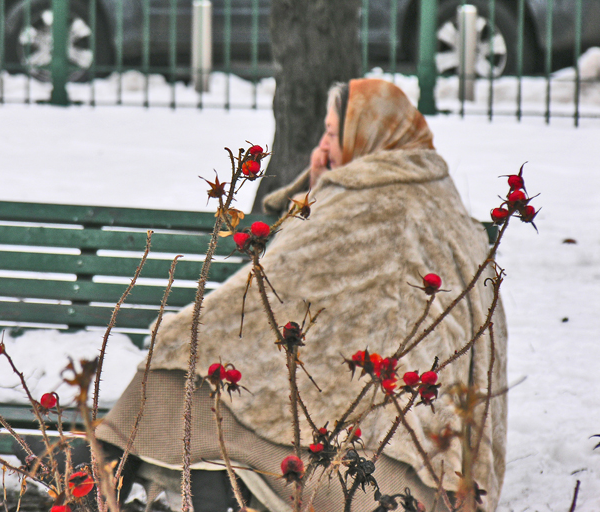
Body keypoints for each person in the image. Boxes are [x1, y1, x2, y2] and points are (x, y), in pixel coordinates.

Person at [96, 78, 507, 512]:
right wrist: (322, 188)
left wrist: (184, 333)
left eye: (333, 133)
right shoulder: (431, 193)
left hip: (391, 466)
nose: (323, 144)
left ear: (367, 137)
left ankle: (106, 480)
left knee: (186, 361)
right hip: (435, 449)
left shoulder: (374, 202)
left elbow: (275, 290)